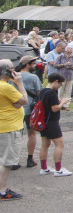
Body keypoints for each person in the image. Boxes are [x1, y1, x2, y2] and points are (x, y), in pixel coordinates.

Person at [0, 60, 27, 200]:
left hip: (4, 125)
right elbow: (23, 100)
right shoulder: (6, 87)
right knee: (7, 161)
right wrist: (19, 83)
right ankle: (2, 191)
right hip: (8, 127)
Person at [38, 73, 72, 176]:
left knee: (45, 144)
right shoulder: (52, 93)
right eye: (60, 84)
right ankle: (58, 169)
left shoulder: (43, 91)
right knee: (59, 144)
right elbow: (54, 108)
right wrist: (63, 103)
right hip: (52, 122)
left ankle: (44, 168)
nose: (60, 86)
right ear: (56, 81)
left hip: (43, 121)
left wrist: (59, 102)